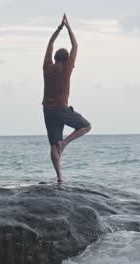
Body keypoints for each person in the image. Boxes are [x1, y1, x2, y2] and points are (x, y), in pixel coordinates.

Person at [42, 14, 91, 183]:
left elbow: (50, 43)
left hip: (47, 111)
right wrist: (69, 27)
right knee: (86, 126)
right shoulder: (66, 69)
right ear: (65, 60)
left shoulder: (47, 67)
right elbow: (75, 45)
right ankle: (66, 143)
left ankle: (59, 177)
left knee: (53, 145)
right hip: (61, 109)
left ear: (55, 58)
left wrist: (58, 29)